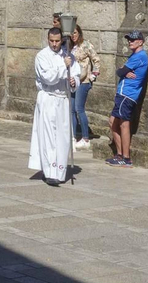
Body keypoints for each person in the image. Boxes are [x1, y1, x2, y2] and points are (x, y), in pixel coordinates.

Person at [29, 26, 75, 186]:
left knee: (63, 136)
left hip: (63, 98)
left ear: (61, 40)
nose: (54, 44)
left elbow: (75, 73)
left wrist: (73, 81)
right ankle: (50, 172)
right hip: (48, 97)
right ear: (48, 39)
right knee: (48, 135)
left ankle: (60, 171)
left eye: (57, 41)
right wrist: (63, 66)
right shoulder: (42, 56)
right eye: (51, 41)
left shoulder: (68, 55)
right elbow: (48, 77)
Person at [107, 30, 148, 168]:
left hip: (128, 95)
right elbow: (121, 71)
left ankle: (126, 157)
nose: (130, 41)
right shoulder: (134, 56)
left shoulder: (139, 56)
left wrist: (123, 71)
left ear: (141, 42)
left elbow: (120, 71)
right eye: (129, 39)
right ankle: (120, 155)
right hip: (123, 94)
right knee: (113, 122)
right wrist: (123, 71)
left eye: (133, 39)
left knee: (124, 124)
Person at [69, 23, 99, 142]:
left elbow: (96, 60)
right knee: (71, 109)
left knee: (78, 108)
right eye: (71, 33)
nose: (73, 36)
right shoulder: (70, 46)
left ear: (79, 33)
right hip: (72, 81)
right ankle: (74, 135)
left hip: (83, 81)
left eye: (75, 33)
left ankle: (85, 136)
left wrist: (93, 76)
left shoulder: (86, 45)